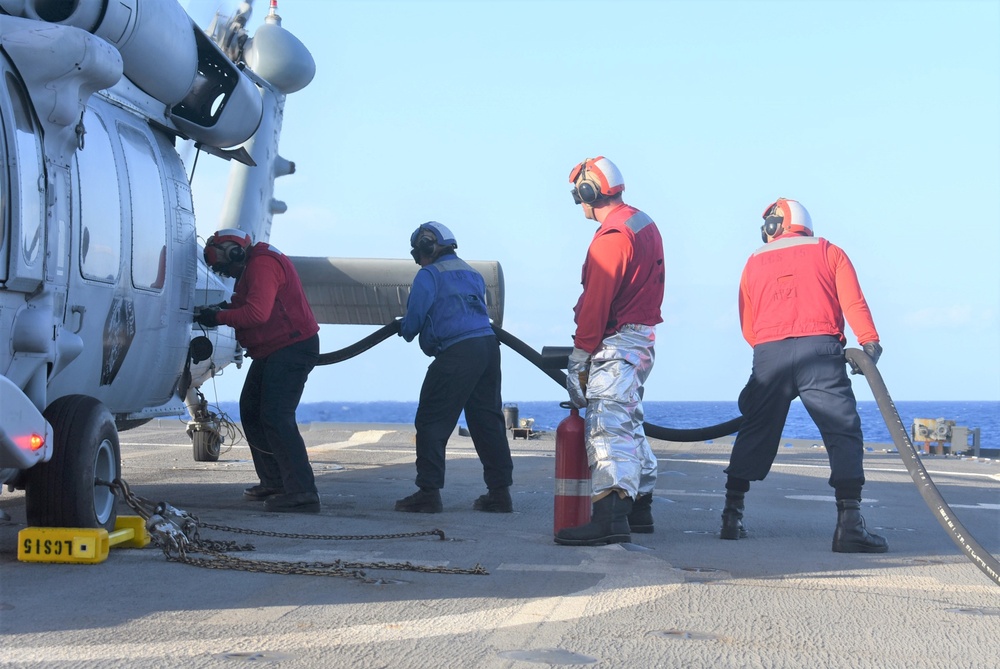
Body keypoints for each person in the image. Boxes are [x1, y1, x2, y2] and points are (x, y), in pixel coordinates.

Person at [721, 198, 888, 553]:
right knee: (842, 430)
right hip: (821, 352)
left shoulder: (753, 261)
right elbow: (853, 302)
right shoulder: (829, 251)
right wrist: (869, 343)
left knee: (755, 428)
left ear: (773, 226)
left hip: (769, 354)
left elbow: (747, 323)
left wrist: (771, 349)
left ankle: (731, 516)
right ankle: (849, 524)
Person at [554, 157, 664, 546]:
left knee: (607, 427)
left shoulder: (612, 237)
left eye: (578, 195)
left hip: (616, 341)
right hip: (641, 339)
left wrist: (580, 354)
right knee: (629, 423)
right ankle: (640, 508)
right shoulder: (641, 222)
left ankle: (610, 517)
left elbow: (597, 301)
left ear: (590, 192)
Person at [195, 228, 322, 514]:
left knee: (277, 416)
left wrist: (217, 317)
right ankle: (275, 481)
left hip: (290, 348)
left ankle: (302, 492)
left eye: (227, 268)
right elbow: (248, 304)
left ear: (235, 253)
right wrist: (221, 308)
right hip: (273, 349)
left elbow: (256, 314)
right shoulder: (253, 265)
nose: (229, 274)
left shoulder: (263, 265)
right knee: (251, 410)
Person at [394, 222, 514, 514]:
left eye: (417, 254)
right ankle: (499, 494)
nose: (418, 261)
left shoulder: (429, 275)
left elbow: (412, 324)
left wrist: (404, 327)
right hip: (487, 348)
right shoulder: (472, 273)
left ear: (427, 247)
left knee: (431, 421)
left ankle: (428, 492)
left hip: (457, 352)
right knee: (487, 421)